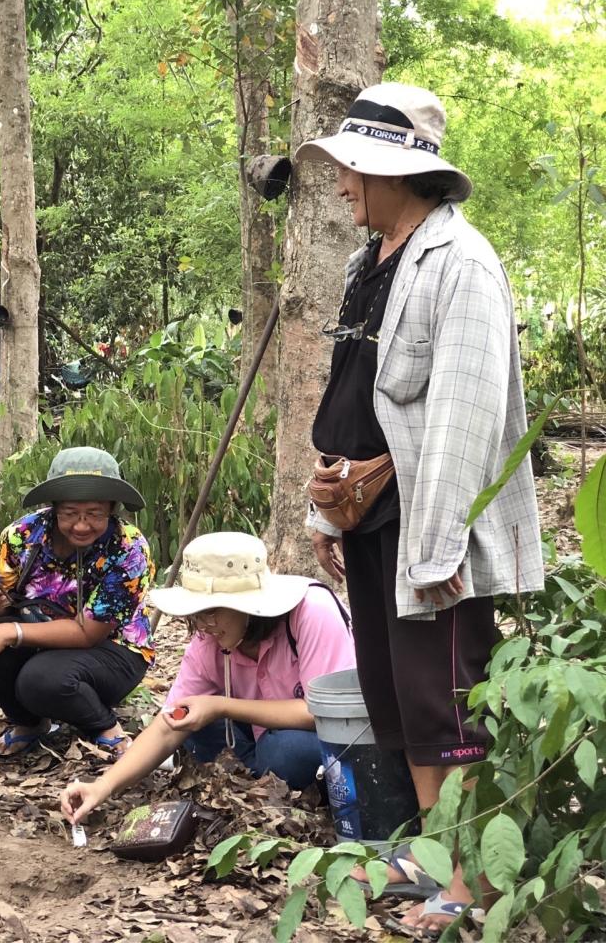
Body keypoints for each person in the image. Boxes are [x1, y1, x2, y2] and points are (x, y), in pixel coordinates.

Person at [297, 83, 542, 931]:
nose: (338, 186)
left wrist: (434, 554)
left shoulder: (461, 265)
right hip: (371, 513)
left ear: (391, 171)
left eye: (349, 169)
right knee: (398, 697)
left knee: (447, 699)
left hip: (429, 524)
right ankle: (433, 853)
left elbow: (464, 420)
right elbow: (353, 391)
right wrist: (330, 508)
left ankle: (466, 883)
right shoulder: (371, 264)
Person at [60, 532, 356, 826]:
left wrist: (221, 706)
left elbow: (323, 711)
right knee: (192, 725)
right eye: (195, 614)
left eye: (212, 612)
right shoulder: (208, 638)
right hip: (255, 737)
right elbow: (169, 724)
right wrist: (103, 786)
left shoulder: (311, 613)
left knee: (288, 751)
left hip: (325, 737)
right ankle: (257, 782)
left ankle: (275, 779)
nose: (204, 625)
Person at [0, 447, 154, 760]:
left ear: (112, 509)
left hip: (112, 649)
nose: (82, 525)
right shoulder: (22, 535)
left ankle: (104, 727)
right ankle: (29, 723)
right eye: (71, 513)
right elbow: (5, 606)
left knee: (42, 678)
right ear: (54, 507)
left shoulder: (128, 548)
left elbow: (89, 633)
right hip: (37, 630)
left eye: (95, 514)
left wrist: (9, 633)